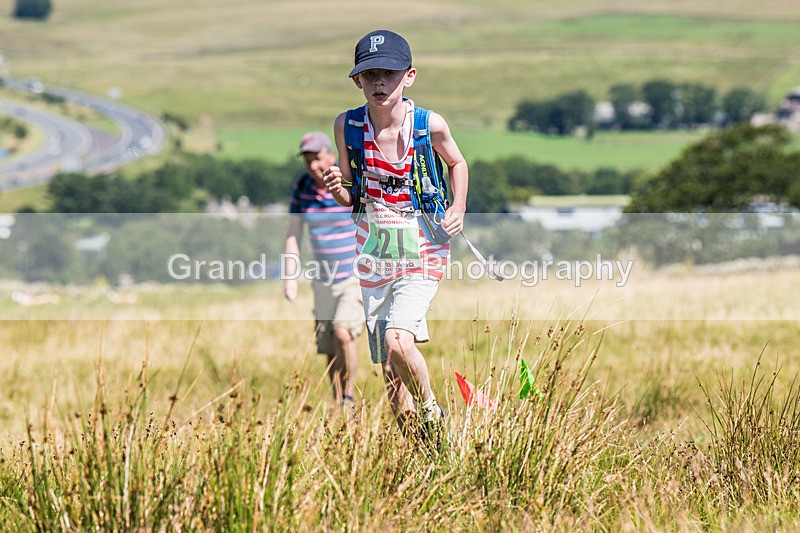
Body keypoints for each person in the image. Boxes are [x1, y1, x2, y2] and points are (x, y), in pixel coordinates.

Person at [322, 30, 468, 442]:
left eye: (388, 73)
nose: (379, 83)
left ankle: (432, 413)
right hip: (374, 252)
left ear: (410, 76)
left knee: (398, 342)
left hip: (423, 245)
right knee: (390, 367)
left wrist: (457, 208)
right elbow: (351, 193)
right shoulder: (347, 125)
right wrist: (338, 189)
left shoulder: (429, 124)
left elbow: (457, 163)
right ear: (357, 82)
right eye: (369, 76)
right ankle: (422, 453)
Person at [284, 131, 363, 409]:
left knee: (342, 332)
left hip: (354, 274)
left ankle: (349, 396)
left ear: (330, 155)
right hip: (322, 279)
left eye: (317, 159)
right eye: (307, 161)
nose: (313, 166)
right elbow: (294, 232)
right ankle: (338, 400)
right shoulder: (302, 187)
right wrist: (290, 278)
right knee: (328, 345)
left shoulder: (347, 180)